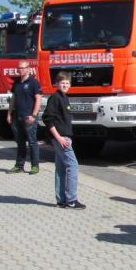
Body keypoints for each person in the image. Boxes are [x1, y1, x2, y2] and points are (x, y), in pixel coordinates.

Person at [42, 71, 85, 209]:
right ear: (56, 84)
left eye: (67, 83)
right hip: (61, 138)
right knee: (73, 166)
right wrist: (58, 137)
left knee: (61, 168)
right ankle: (72, 200)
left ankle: (61, 200)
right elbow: (47, 119)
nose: (65, 85)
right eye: (62, 83)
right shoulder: (55, 98)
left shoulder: (64, 98)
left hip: (64, 137)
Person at [7, 61, 42, 174]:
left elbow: (38, 99)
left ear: (28, 69)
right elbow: (13, 99)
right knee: (20, 142)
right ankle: (19, 165)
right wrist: (9, 113)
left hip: (29, 118)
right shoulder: (16, 83)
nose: (20, 70)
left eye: (22, 68)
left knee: (32, 142)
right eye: (19, 68)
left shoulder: (33, 82)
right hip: (18, 117)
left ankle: (35, 166)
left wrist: (34, 115)